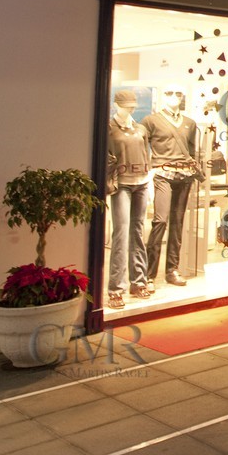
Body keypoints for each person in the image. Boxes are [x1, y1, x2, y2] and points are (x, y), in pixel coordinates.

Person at [141, 86, 199, 286]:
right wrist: (147, 170)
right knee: (160, 220)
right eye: (169, 92)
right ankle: (149, 273)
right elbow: (141, 147)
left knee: (178, 222)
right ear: (162, 95)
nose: (173, 97)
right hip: (162, 174)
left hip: (184, 176)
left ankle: (172, 270)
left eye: (177, 93)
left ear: (182, 96)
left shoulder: (190, 123)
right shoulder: (151, 120)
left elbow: (193, 150)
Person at [105, 90, 151, 307]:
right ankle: (116, 288)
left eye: (132, 105)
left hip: (142, 181)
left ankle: (139, 280)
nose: (130, 109)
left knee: (138, 231)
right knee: (121, 233)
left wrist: (149, 180)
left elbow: (146, 155)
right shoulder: (109, 128)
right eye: (125, 105)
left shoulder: (140, 129)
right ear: (116, 105)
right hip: (122, 183)